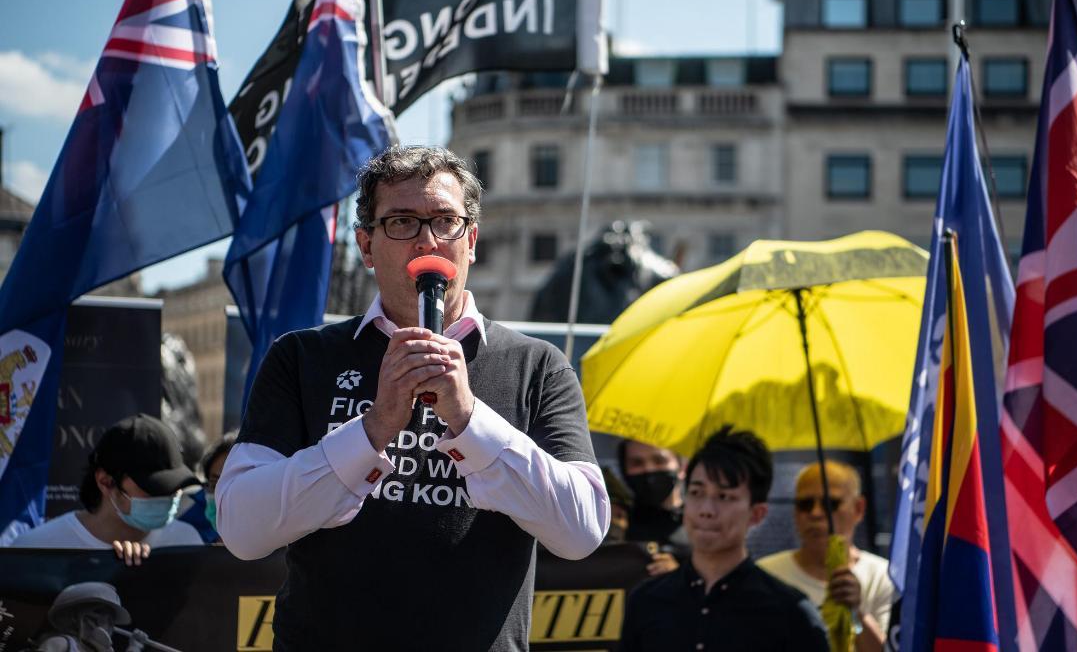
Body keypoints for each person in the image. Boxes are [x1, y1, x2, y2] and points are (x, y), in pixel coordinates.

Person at [217, 146, 610, 651]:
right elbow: (242, 531)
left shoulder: (537, 367)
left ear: (471, 241)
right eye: (402, 222)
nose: (427, 240)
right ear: (366, 244)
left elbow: (581, 532)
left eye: (446, 222)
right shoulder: (301, 357)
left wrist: (470, 419)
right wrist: (372, 429)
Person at [619, 428, 829, 651]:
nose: (706, 510)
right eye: (697, 493)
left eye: (724, 497)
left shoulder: (792, 612)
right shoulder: (646, 601)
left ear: (757, 513)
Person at [10, 414, 203, 564]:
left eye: (175, 488)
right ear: (105, 482)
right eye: (154, 488)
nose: (168, 498)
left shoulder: (186, 542)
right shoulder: (37, 550)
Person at [756, 460, 894, 652]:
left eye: (830, 504)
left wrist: (857, 613)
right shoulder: (765, 575)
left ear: (859, 508)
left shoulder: (886, 576)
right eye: (805, 504)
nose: (815, 513)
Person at [618, 439, 688, 575]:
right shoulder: (614, 523)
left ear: (682, 467)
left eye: (659, 460)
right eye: (637, 463)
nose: (649, 469)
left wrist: (679, 575)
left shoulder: (706, 522)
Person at [178, 431, 237, 544]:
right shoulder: (188, 527)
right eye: (214, 484)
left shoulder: (275, 543)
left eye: (232, 485)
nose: (220, 495)